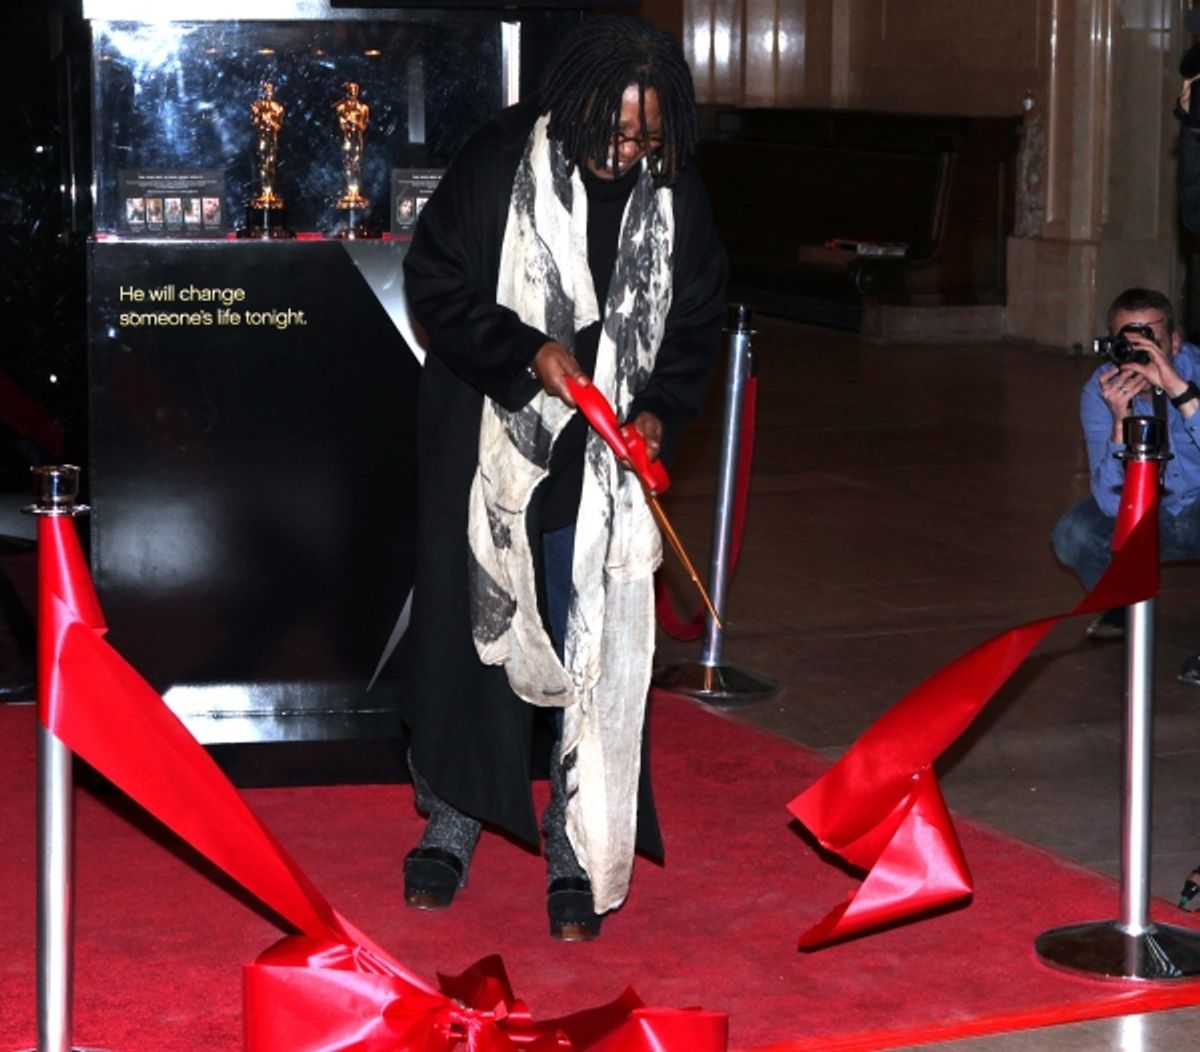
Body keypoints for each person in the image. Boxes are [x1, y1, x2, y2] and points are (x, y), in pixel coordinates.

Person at [398, 15, 728, 941]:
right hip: (488, 433)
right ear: (577, 104)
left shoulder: (672, 189)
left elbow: (696, 313)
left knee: (584, 625)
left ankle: (574, 837)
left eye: (649, 138)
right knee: (481, 620)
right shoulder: (503, 155)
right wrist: (527, 350)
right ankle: (453, 817)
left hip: (602, 449)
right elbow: (437, 282)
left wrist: (660, 404)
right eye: (616, 133)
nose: (629, 153)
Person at [1050, 287, 1200, 641]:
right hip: (1153, 513)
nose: (1140, 356)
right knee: (1076, 533)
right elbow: (1110, 503)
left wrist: (1181, 392)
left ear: (1175, 343)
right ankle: (1121, 607)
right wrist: (1122, 424)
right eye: (1129, 346)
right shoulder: (1101, 391)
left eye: (1151, 344)